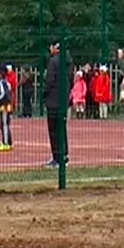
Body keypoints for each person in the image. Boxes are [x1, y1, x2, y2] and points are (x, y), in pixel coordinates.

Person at [43, 41, 70, 169]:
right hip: (63, 99)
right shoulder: (68, 61)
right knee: (62, 129)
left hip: (53, 100)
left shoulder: (53, 62)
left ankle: (57, 158)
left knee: (53, 130)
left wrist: (44, 93)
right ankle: (64, 155)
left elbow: (49, 80)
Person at [0, 63, 15, 151]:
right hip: (6, 104)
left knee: (4, 124)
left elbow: (3, 93)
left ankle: (5, 143)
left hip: (4, 105)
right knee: (5, 124)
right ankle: (8, 142)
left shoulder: (3, 82)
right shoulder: (3, 81)